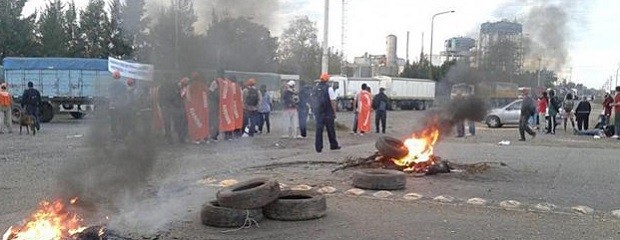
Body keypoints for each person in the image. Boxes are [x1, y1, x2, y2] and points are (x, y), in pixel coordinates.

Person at [312, 73, 340, 153]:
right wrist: (334, 112)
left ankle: (318, 147)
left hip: (318, 112)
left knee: (319, 130)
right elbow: (333, 101)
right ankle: (333, 145)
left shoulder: (315, 88)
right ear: (327, 80)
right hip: (328, 112)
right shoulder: (329, 88)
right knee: (330, 129)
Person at [159, 76, 188, 144]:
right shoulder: (174, 86)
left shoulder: (162, 87)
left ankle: (169, 139)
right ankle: (181, 138)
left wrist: (162, 105)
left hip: (167, 107)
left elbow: (160, 97)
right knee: (177, 123)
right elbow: (179, 95)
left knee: (168, 123)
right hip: (174, 107)